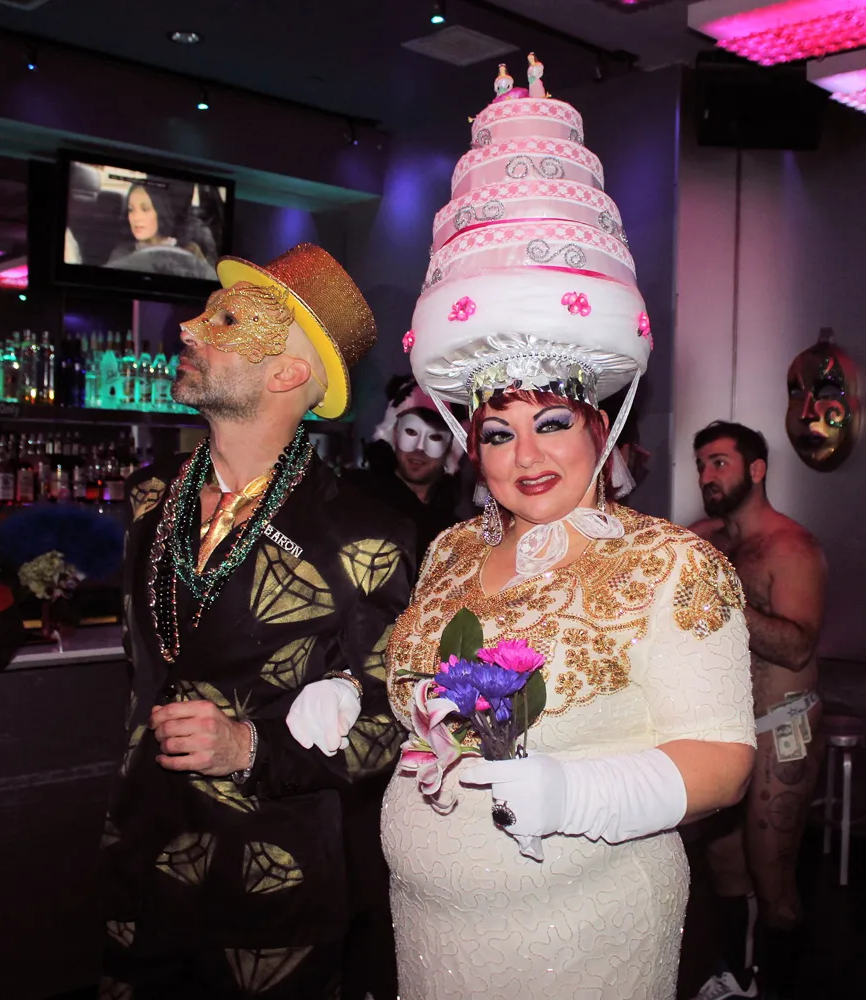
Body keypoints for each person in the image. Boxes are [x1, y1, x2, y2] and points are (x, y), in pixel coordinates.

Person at [375, 78, 756, 1000]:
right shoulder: (451, 551)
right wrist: (352, 699)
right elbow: (424, 701)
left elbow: (723, 760)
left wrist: (583, 796)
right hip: (425, 931)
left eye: (552, 424)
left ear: (599, 428)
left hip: (584, 935)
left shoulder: (672, 563)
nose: (526, 456)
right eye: (497, 433)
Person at [100, 243, 414, 1000]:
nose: (189, 328)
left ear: (287, 373)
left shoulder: (367, 530)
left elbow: (393, 716)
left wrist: (248, 746)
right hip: (138, 865)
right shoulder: (149, 497)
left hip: (272, 887)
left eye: (228, 320)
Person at [688, 421, 826, 1000]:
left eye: (719, 462)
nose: (706, 475)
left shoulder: (790, 547)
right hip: (726, 728)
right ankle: (737, 979)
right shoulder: (705, 540)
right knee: (725, 869)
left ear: (757, 469)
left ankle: (783, 986)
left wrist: (724, 598)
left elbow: (796, 647)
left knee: (774, 880)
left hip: (781, 726)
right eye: (701, 465)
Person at [345, 375, 462, 566]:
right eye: (411, 432)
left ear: (451, 447)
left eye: (434, 437)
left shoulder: (454, 530)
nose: (419, 448)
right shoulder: (357, 493)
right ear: (394, 433)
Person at [107, 181, 218, 279]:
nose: (136, 218)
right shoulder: (122, 252)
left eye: (145, 209)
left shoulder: (191, 249)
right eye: (131, 210)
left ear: (161, 211)